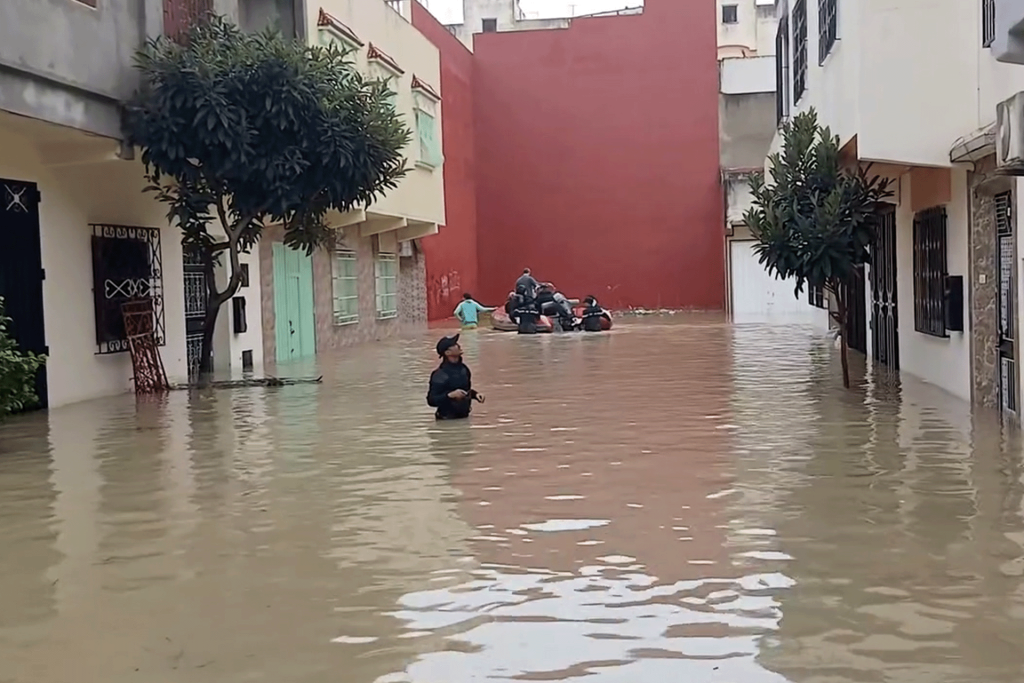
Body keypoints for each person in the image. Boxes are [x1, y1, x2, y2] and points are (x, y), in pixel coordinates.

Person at [427, 334, 484, 420]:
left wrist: (475, 395)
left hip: (464, 418)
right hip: (446, 421)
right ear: (447, 353)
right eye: (454, 345)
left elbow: (465, 391)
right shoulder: (440, 374)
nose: (458, 346)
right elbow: (431, 400)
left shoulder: (464, 369)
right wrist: (449, 395)